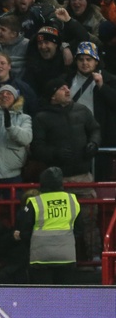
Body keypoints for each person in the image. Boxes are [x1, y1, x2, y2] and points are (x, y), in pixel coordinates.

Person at [31, 77, 101, 261]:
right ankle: (64, 259)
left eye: (66, 87)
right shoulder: (41, 118)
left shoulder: (82, 110)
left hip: (83, 177)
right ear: (52, 96)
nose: (67, 90)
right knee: (60, 223)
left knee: (89, 220)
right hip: (58, 181)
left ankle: (95, 257)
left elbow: (95, 129)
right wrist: (55, 153)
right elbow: (37, 148)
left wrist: (94, 143)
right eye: (61, 88)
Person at [17, 166, 80, 284]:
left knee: (43, 294)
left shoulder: (35, 202)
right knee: (64, 293)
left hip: (40, 257)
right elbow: (79, 228)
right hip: (66, 256)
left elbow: (25, 229)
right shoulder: (72, 200)